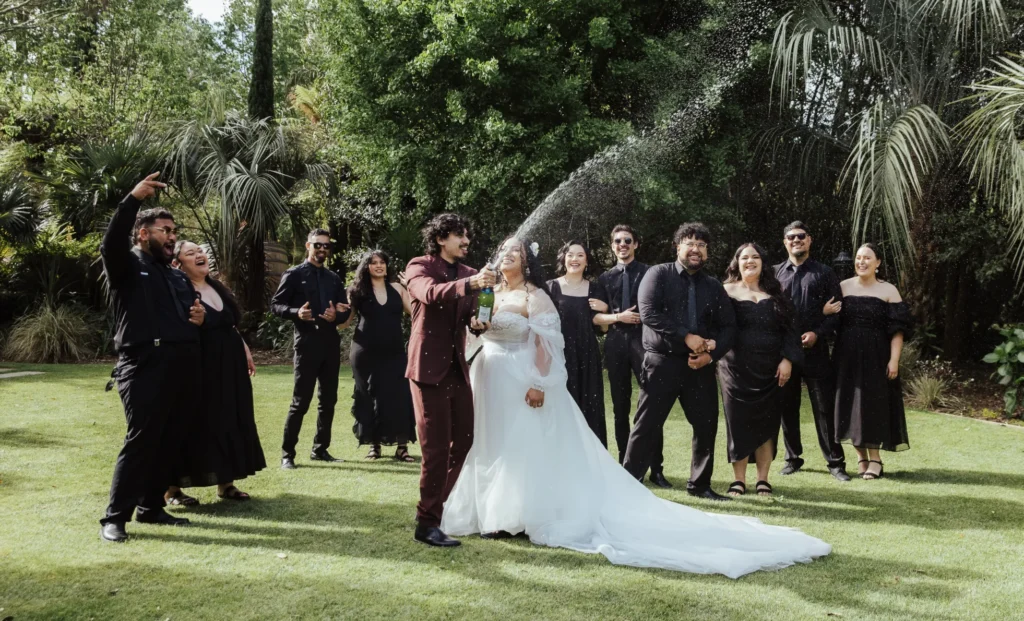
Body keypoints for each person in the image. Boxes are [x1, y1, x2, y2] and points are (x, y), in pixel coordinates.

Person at [441, 237, 831, 578]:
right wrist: (476, 328)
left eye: (516, 251)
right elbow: (476, 332)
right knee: (493, 443)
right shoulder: (489, 292)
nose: (507, 255)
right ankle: (493, 511)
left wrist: (540, 382)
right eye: (504, 250)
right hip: (491, 377)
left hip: (526, 377)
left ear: (527, 261)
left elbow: (546, 341)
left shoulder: (535, 295)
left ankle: (520, 515)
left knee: (524, 445)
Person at [98, 173, 205, 543]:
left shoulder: (175, 276)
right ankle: (115, 518)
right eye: (165, 230)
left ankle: (151, 507)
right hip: (143, 365)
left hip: (181, 365)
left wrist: (199, 318)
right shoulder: (127, 265)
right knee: (141, 440)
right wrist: (132, 200)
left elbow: (189, 315)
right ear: (143, 234)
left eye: (174, 231)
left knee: (170, 439)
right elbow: (110, 244)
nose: (172, 237)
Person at [622, 222, 737, 501]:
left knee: (706, 425)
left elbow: (729, 327)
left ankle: (700, 485)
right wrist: (686, 336)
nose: (696, 249)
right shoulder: (658, 274)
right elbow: (648, 312)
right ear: (677, 247)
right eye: (690, 243)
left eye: (701, 245)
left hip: (699, 367)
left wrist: (711, 355)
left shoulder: (713, 286)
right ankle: (627, 484)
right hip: (662, 363)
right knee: (646, 425)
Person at [404, 214, 495, 547]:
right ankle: (426, 523)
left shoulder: (471, 273)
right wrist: (471, 285)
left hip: (457, 367)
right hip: (427, 368)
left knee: (465, 441)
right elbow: (429, 294)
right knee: (435, 448)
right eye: (459, 235)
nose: (466, 241)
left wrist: (478, 323)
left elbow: (470, 315)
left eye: (467, 235)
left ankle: (435, 509)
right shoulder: (419, 266)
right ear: (441, 239)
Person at [162, 241, 266, 505]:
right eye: (190, 253)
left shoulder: (217, 287)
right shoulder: (180, 290)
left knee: (229, 419)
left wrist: (244, 348)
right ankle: (172, 489)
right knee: (196, 423)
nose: (199, 254)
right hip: (200, 367)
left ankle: (226, 484)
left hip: (230, 366)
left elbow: (230, 325)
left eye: (200, 251)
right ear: (178, 264)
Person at [719, 244, 803, 497]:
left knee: (768, 424)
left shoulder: (778, 292)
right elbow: (716, 327)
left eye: (755, 257)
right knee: (738, 423)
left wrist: (787, 359)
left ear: (763, 262)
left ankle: (763, 479)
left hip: (771, 370)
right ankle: (739, 480)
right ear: (736, 262)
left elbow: (791, 329)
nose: (750, 261)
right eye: (744, 257)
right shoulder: (724, 291)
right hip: (735, 370)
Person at [773, 221, 851, 481]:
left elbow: (837, 313)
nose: (796, 240)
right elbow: (771, 313)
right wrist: (819, 313)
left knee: (824, 407)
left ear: (809, 240)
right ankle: (793, 458)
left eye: (801, 236)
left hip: (815, 352)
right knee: (787, 406)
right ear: (785, 242)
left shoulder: (825, 273)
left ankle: (835, 462)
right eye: (791, 237)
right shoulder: (774, 274)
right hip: (785, 353)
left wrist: (817, 333)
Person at [270, 228, 352, 469]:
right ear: (308, 246)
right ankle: (287, 455)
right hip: (306, 344)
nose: (322, 249)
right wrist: (297, 312)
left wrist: (336, 316)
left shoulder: (334, 278)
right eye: (318, 245)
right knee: (300, 402)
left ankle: (320, 449)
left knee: (328, 400)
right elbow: (276, 305)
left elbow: (343, 311)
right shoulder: (294, 274)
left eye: (326, 245)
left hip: (330, 344)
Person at [833, 243, 912, 479]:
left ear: (877, 263)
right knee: (850, 406)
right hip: (846, 357)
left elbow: (898, 331)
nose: (862, 262)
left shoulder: (889, 290)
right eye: (858, 257)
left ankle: (875, 460)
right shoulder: (843, 287)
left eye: (867, 258)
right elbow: (830, 321)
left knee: (873, 406)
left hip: (877, 357)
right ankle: (861, 458)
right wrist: (826, 311)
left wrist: (894, 360)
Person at [597, 225, 667, 485]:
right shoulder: (604, 278)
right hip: (615, 342)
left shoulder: (650, 273)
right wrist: (616, 316)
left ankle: (656, 468)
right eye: (617, 241)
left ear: (636, 244)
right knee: (620, 407)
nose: (622, 244)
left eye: (627, 240)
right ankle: (625, 466)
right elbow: (597, 316)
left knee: (651, 406)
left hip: (644, 341)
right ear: (612, 245)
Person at [345, 250, 417, 462]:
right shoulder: (357, 291)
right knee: (368, 397)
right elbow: (345, 322)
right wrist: (333, 314)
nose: (379, 265)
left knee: (399, 395)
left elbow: (416, 314)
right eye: (374, 262)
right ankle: (373, 446)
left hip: (394, 352)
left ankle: (402, 447)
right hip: (364, 352)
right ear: (366, 267)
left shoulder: (398, 288)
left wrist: (412, 287)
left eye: (382, 262)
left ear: (387, 266)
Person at [546, 240, 615, 445]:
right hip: (558, 355)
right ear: (563, 259)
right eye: (570, 255)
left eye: (580, 255)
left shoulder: (595, 289)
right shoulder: (550, 287)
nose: (574, 259)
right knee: (559, 406)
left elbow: (603, 329)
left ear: (586, 261)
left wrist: (605, 309)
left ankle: (591, 456)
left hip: (587, 356)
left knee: (589, 406)